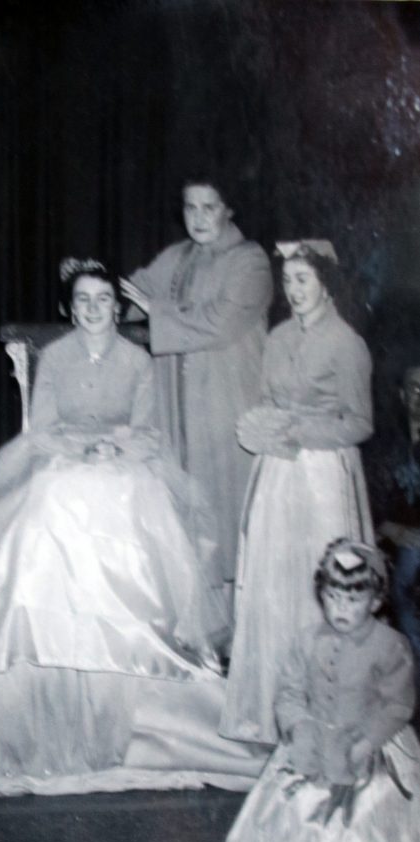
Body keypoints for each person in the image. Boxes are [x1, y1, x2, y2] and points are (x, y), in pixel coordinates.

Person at [0, 260, 266, 796]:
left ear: (118, 309)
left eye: (103, 300)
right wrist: (83, 449)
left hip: (124, 464)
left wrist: (114, 447)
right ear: (68, 308)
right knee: (54, 494)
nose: (94, 310)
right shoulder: (53, 357)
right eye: (83, 301)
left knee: (126, 495)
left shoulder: (137, 360)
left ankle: (128, 638)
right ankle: (44, 631)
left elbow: (147, 431)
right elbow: (43, 430)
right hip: (64, 458)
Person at [198, 539, 420, 842]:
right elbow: (290, 692)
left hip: (365, 749)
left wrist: (368, 740)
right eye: (333, 597)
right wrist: (298, 727)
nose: (340, 608)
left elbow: (398, 704)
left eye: (353, 600)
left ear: (375, 602)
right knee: (294, 814)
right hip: (312, 744)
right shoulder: (306, 640)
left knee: (360, 828)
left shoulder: (391, 646)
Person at [221, 240, 374, 744]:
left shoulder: (347, 343)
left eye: (303, 280)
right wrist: (267, 428)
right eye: (288, 281)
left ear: (325, 283)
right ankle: (269, 712)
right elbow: (267, 399)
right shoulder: (279, 337)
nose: (294, 290)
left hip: (323, 475)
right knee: (272, 584)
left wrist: (301, 433)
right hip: (279, 474)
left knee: (317, 585)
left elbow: (359, 424)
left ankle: (327, 713)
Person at [121, 178, 273, 588]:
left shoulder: (250, 260)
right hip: (178, 404)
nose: (199, 218)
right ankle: (194, 621)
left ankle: (234, 622)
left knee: (226, 507)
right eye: (191, 208)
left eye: (209, 207)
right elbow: (132, 294)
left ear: (229, 210)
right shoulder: (176, 256)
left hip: (227, 403)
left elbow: (218, 323)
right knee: (182, 502)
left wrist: (152, 309)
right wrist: (94, 289)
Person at [369, 365, 420, 683]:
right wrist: (392, 530)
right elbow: (367, 506)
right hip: (393, 549)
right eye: (413, 388)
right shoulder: (382, 447)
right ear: (401, 395)